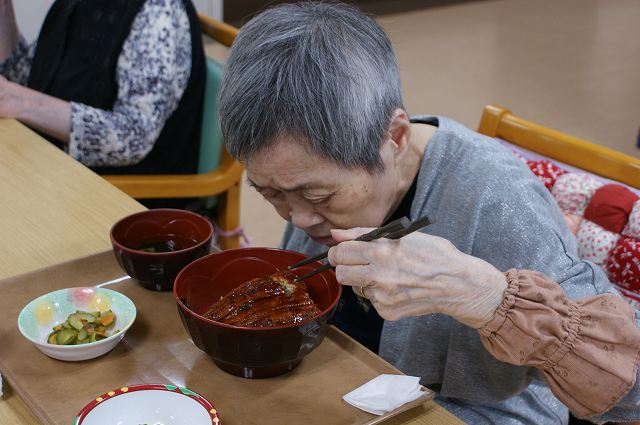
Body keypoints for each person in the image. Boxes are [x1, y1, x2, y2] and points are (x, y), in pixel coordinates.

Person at [217, 2, 640, 424]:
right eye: (270, 193)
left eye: (319, 196)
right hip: (349, 386)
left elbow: (631, 390)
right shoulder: (317, 170)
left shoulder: (497, 200)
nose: (298, 219)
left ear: (395, 138)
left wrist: (486, 296)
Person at [0, 0, 205, 182]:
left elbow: (133, 138)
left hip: (125, 193)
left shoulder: (159, 12)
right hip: (56, 169)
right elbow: (32, 78)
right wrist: (4, 9)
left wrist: (22, 103)